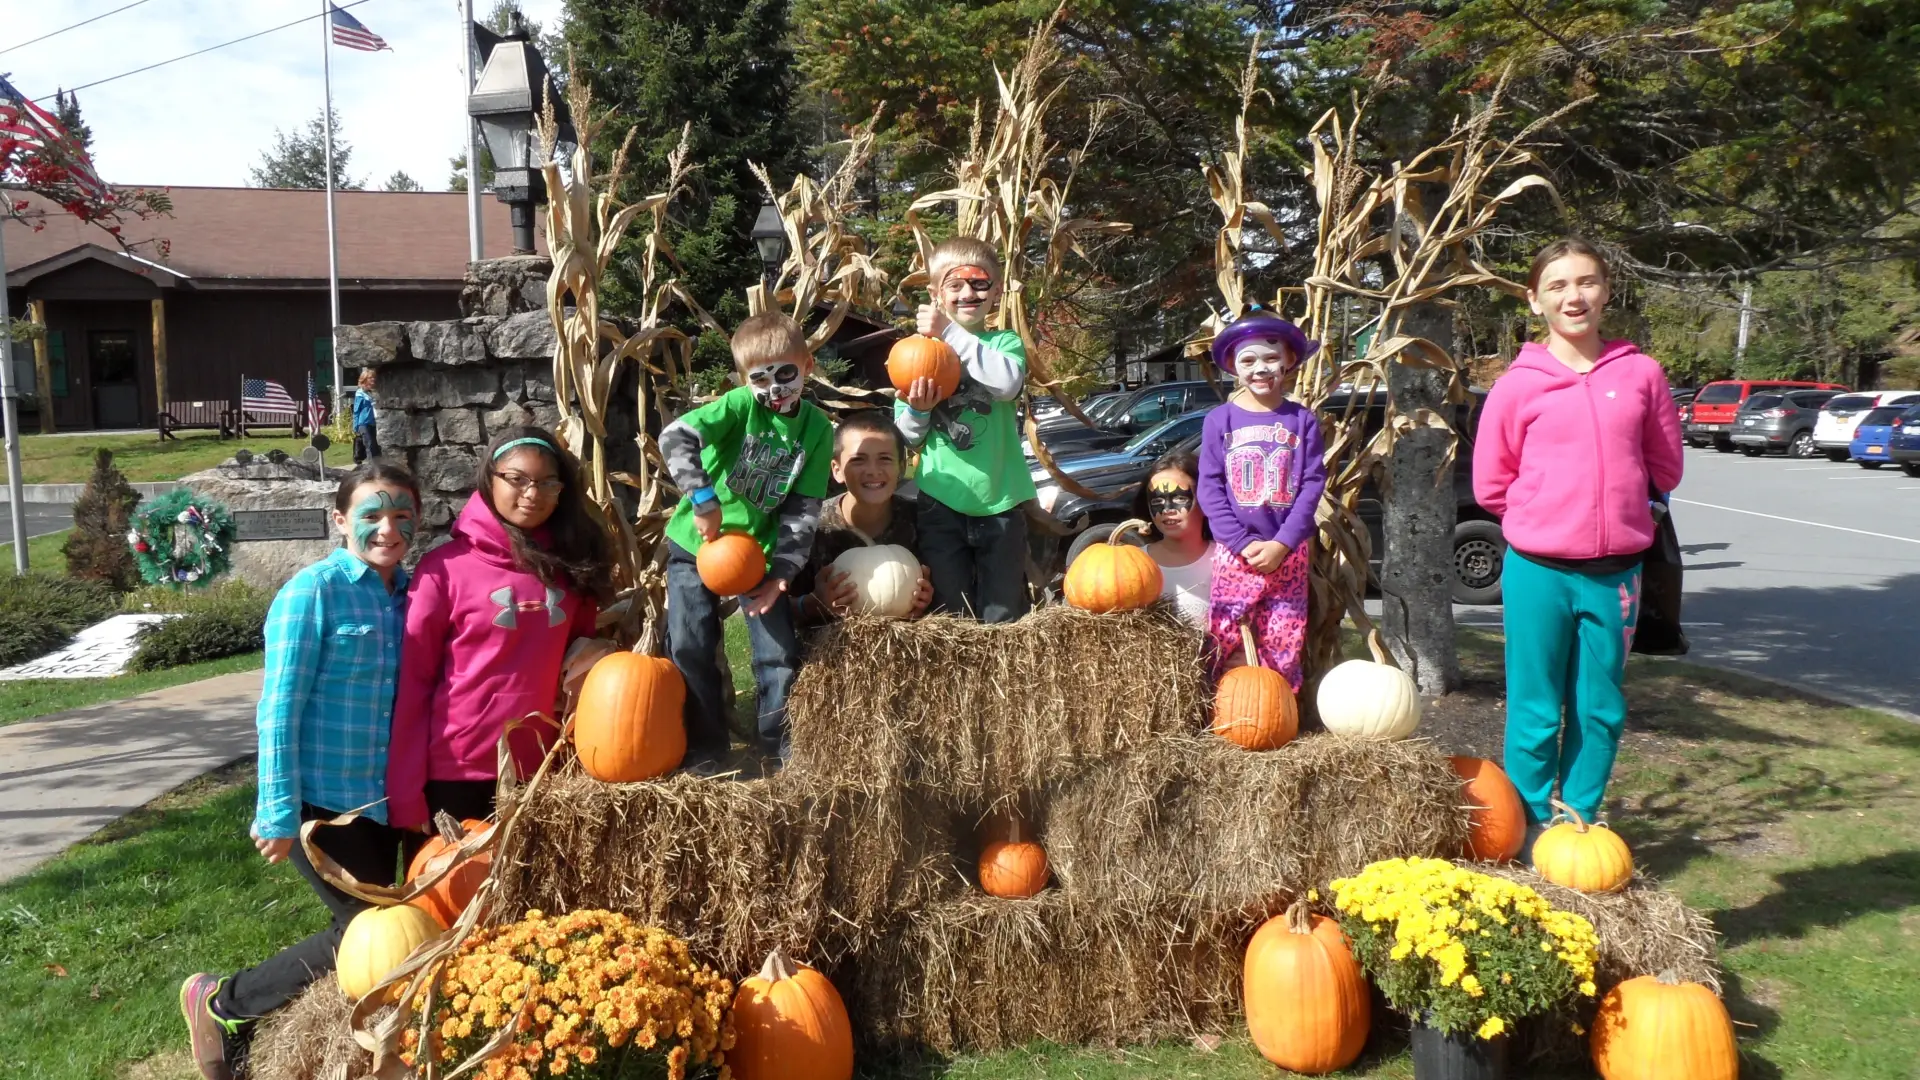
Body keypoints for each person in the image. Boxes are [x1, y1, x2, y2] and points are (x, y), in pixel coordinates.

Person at [179, 462, 419, 1080]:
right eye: (371, 515)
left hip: (385, 801)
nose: (387, 528)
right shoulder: (312, 592)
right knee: (363, 934)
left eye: (401, 515)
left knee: (392, 930)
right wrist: (278, 811)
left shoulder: (410, 594)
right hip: (323, 805)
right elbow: (277, 710)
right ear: (340, 520)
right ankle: (223, 1003)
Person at [1472, 237, 1684, 861]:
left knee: (1600, 709)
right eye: (1558, 285)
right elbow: (1492, 484)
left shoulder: (1641, 374)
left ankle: (1580, 821)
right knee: (1536, 709)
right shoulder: (1517, 385)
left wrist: (1621, 516)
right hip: (1537, 572)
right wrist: (1547, 521)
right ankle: (1532, 823)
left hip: (1616, 575)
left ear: (1606, 291)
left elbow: (1664, 467)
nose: (1574, 296)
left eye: (1586, 282)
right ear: (1535, 299)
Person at [385, 427, 609, 836]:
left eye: (547, 483)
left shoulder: (572, 571)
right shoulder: (443, 570)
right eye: (517, 479)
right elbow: (414, 686)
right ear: (489, 478)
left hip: (544, 771)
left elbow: (579, 672)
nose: (531, 493)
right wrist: (405, 794)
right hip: (457, 773)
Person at [659, 312, 832, 764]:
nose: (774, 388)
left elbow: (804, 507)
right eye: (760, 379)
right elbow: (676, 437)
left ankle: (777, 751)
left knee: (777, 653)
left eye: (786, 374)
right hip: (696, 545)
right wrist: (702, 496)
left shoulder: (816, 429)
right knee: (690, 642)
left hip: (758, 555)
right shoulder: (738, 406)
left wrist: (783, 574)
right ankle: (706, 748)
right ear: (743, 380)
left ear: (807, 366)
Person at [896, 237, 1036, 623]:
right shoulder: (914, 352)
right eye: (954, 285)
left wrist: (950, 334)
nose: (967, 293)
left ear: (997, 290)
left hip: (1001, 502)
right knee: (950, 613)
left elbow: (1006, 384)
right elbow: (907, 436)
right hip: (942, 502)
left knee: (1002, 613)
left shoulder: (1003, 343)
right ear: (935, 293)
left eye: (979, 284)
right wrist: (918, 410)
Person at [1195, 310, 1327, 690]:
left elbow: (1312, 483)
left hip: (1287, 552)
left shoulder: (1302, 420)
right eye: (1248, 360)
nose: (1261, 368)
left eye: (1271, 358)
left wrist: (1282, 544)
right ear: (1234, 367)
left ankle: (1281, 710)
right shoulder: (1220, 420)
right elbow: (1210, 486)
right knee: (1224, 634)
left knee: (1283, 636)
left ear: (1288, 362)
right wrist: (1240, 542)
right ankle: (1219, 708)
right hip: (1236, 553)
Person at [793, 409, 934, 623]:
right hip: (828, 649)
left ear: (902, 467)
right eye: (859, 460)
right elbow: (773, 608)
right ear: (837, 469)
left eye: (885, 459)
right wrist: (812, 604)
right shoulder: (812, 526)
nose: (873, 470)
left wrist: (931, 602)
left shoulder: (923, 521)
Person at [1128, 447, 1215, 630]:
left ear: (1205, 498)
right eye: (1157, 501)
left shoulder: (1227, 561)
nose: (1167, 509)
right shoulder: (1134, 566)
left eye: (1179, 498)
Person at [352, 369, 380, 463]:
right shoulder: (360, 394)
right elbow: (356, 411)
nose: (373, 380)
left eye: (374, 377)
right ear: (365, 379)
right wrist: (356, 427)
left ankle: (378, 467)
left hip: (373, 423)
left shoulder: (371, 393)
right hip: (364, 423)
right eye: (371, 378)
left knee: (376, 447)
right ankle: (371, 468)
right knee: (370, 445)